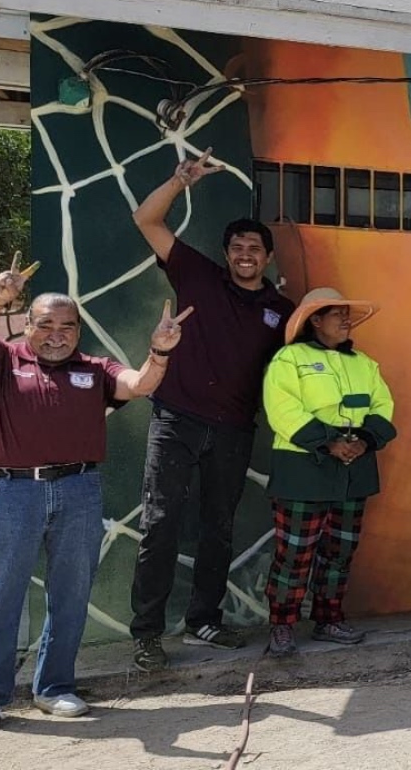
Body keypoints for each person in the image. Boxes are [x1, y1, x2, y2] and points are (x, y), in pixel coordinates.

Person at [0, 259, 189, 736]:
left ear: (78, 332)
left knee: (71, 593)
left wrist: (159, 351)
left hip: (78, 489)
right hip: (8, 491)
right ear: (28, 326)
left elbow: (141, 384)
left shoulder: (95, 368)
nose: (56, 334)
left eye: (67, 326)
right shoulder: (1, 360)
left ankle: (54, 688)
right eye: (46, 324)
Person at [128, 148, 296, 672]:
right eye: (237, 247)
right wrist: (180, 181)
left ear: (268, 258)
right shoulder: (197, 274)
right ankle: (147, 634)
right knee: (161, 523)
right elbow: (146, 219)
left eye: (254, 248)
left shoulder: (281, 311)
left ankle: (204, 621)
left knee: (218, 527)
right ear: (226, 253)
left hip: (233, 430)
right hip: (176, 419)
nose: (246, 254)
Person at [261, 288, 395, 657]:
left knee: (340, 550)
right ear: (315, 320)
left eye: (347, 313)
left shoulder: (364, 363)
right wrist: (329, 442)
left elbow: (383, 404)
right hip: (303, 469)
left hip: (354, 470)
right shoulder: (289, 359)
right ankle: (282, 625)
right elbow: (282, 409)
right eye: (337, 314)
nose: (346, 319)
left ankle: (328, 618)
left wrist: (365, 440)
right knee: (294, 552)